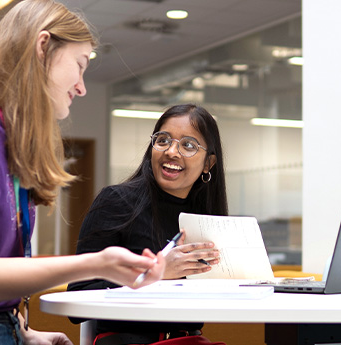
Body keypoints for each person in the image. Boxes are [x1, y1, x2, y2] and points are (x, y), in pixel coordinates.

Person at [0, 1, 165, 344]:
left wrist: (26, 333)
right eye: (79, 66)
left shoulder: (6, 143)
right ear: (42, 47)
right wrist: (95, 264)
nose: (81, 87)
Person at [68, 103, 229, 345]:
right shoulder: (116, 202)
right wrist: (157, 273)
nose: (172, 152)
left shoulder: (205, 219)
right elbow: (77, 299)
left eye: (188, 145)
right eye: (163, 140)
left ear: (208, 164)